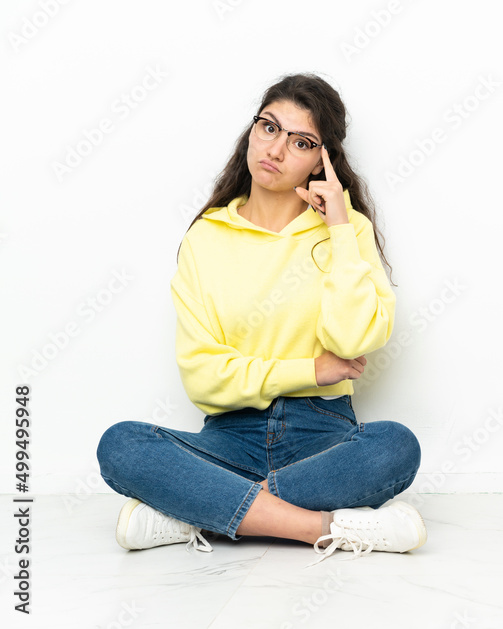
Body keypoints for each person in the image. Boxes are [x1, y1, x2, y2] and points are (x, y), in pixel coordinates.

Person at [96, 72, 425, 566]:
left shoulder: (345, 229)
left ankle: (197, 508)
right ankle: (320, 526)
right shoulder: (207, 238)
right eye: (269, 128)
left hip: (325, 435)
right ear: (251, 132)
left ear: (323, 159)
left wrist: (338, 224)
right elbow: (204, 379)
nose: (276, 149)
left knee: (396, 446)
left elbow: (355, 337)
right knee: (121, 445)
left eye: (301, 142)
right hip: (231, 436)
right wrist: (310, 370)